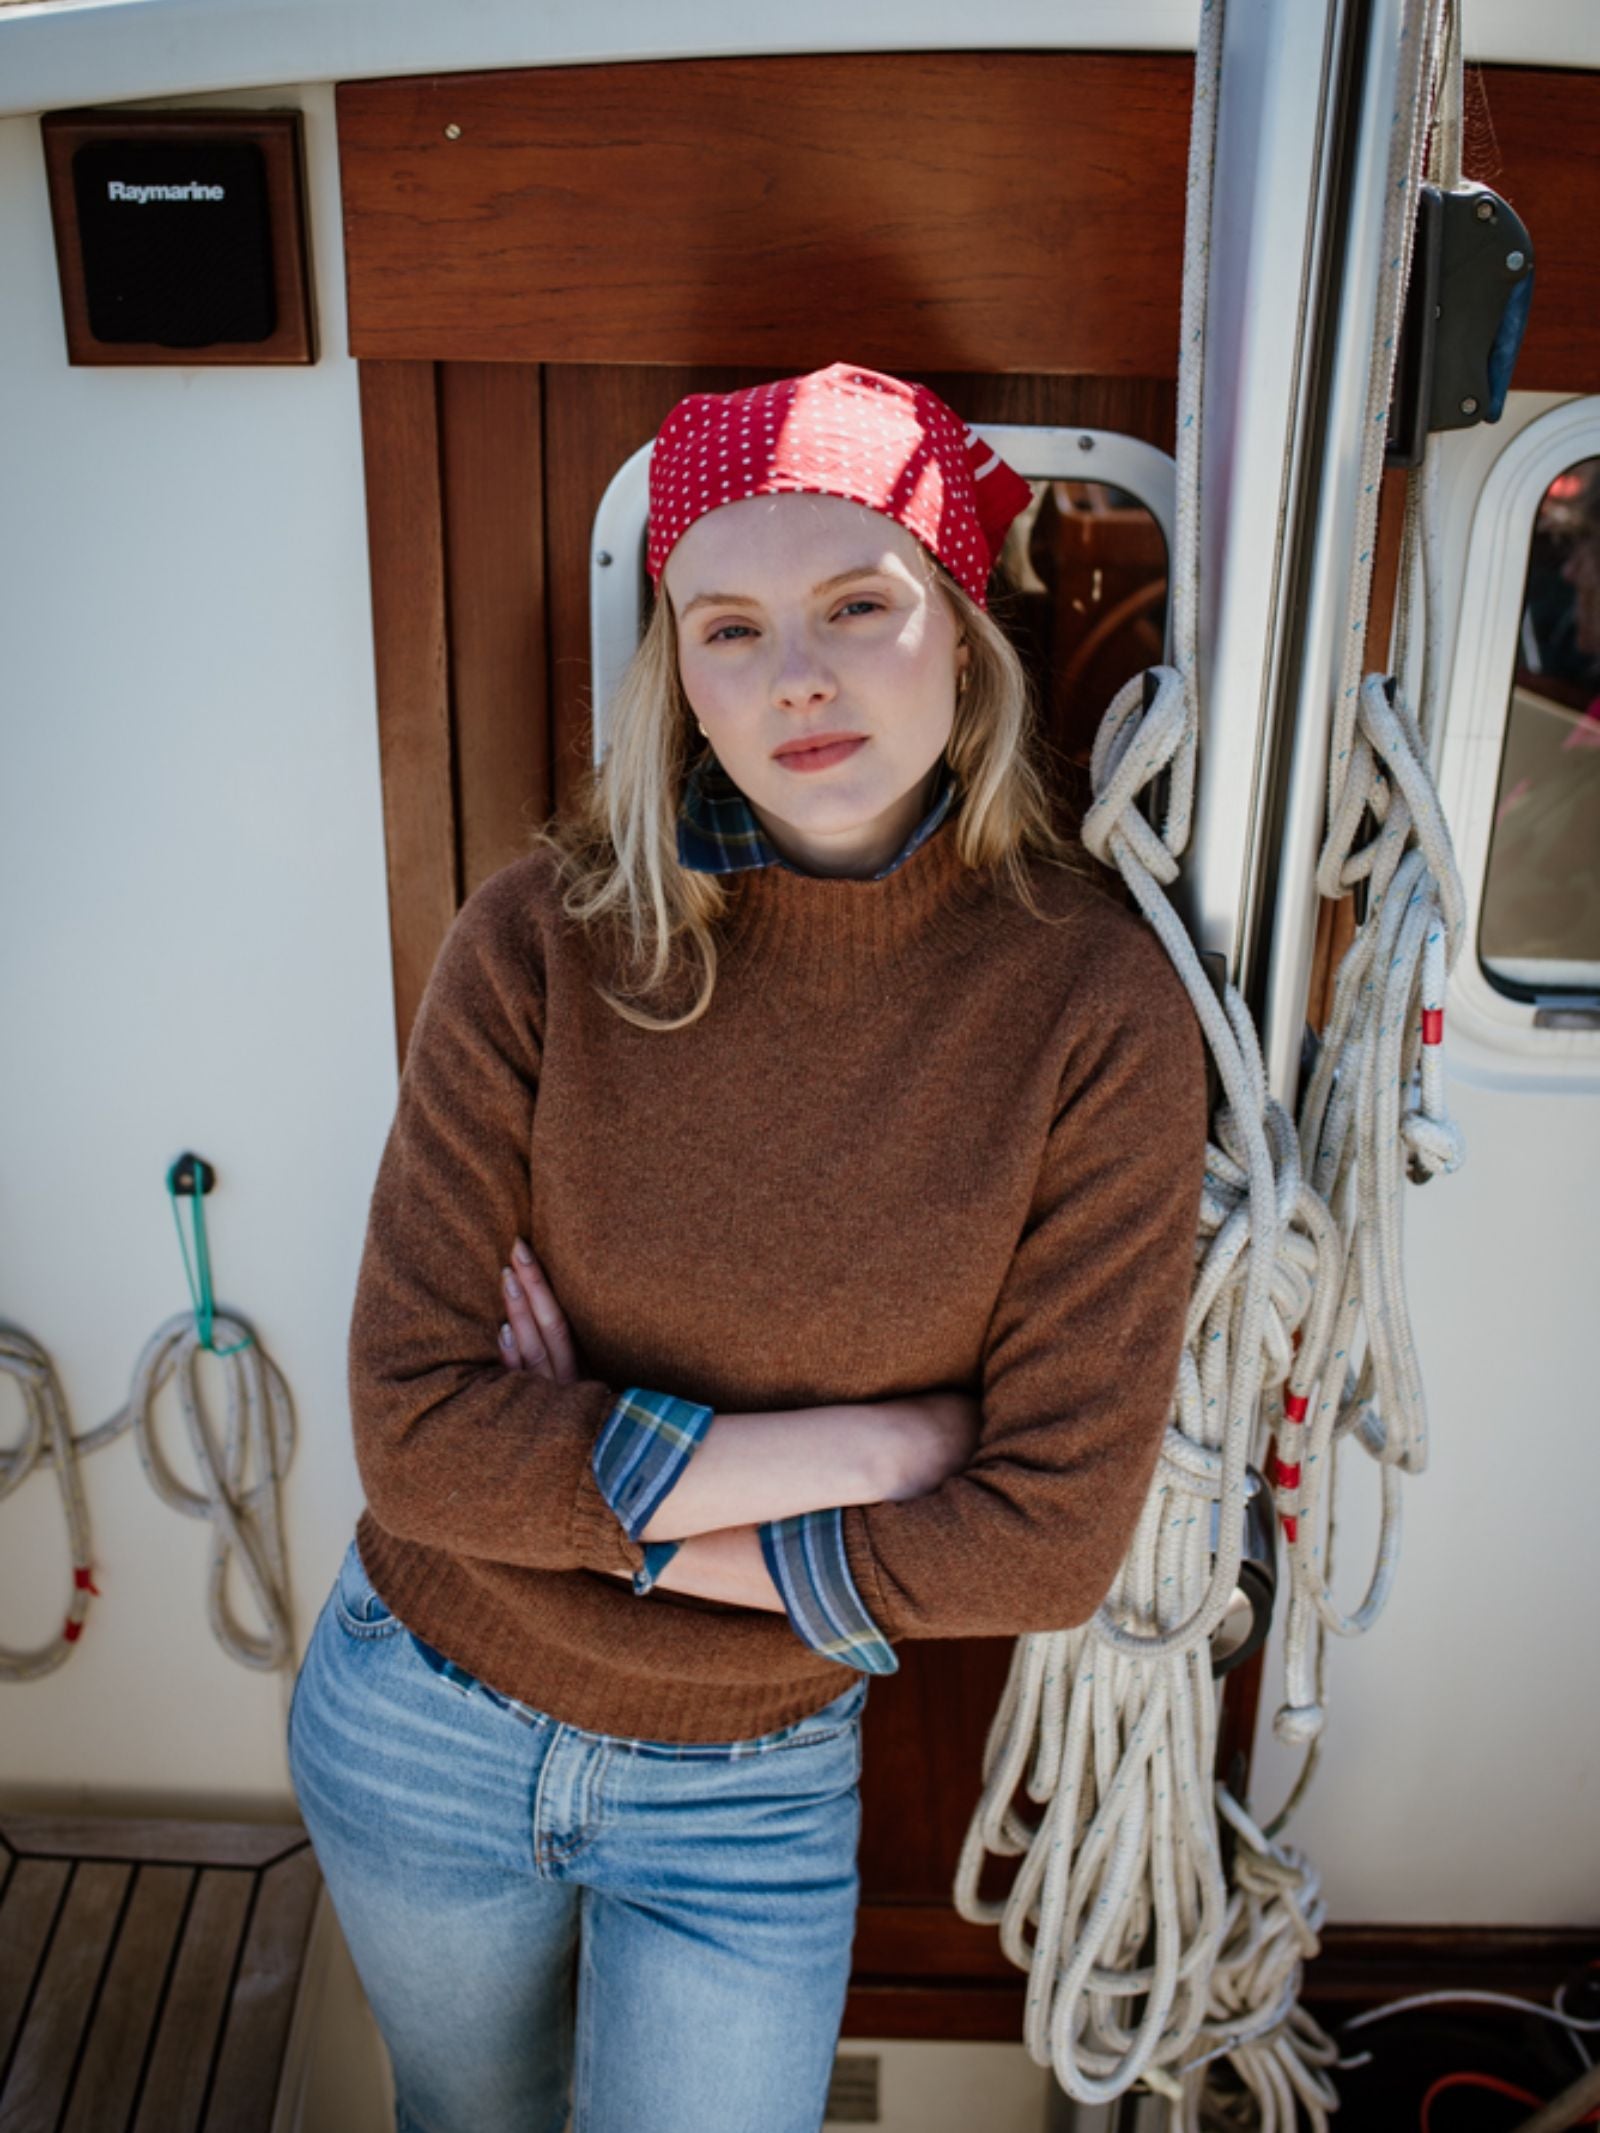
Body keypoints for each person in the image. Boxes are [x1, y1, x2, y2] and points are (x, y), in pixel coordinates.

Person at [286, 361, 1209, 2133]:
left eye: (858, 605)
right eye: (730, 626)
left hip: (752, 1783)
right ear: (679, 671)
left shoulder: (1093, 1008)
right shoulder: (545, 940)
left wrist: (603, 1506)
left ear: (961, 626)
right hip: (424, 1717)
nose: (797, 674)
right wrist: (866, 1452)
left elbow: (1045, 1541)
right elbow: (413, 1440)